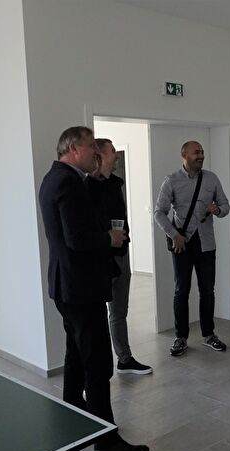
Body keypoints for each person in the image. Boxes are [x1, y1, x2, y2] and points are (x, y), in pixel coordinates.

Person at [38, 126, 149, 451]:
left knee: (76, 351)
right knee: (98, 363)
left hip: (67, 286)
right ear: (74, 149)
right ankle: (105, 441)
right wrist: (109, 239)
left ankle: (73, 408)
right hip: (81, 287)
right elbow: (78, 238)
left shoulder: (56, 178)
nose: (96, 153)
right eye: (91, 147)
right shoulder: (68, 183)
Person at [154, 141, 230, 357]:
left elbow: (225, 206)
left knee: (207, 290)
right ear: (184, 155)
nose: (201, 155)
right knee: (181, 290)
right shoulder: (171, 180)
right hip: (182, 243)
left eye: (202, 152)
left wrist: (217, 210)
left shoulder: (211, 178)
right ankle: (181, 337)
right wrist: (174, 234)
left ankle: (209, 334)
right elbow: (159, 212)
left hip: (206, 243)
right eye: (196, 152)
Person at [86, 138, 152, 375]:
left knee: (119, 311)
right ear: (100, 155)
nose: (116, 155)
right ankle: (96, 366)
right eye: (112, 151)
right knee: (95, 315)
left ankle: (124, 358)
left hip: (121, 254)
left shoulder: (115, 183)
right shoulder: (86, 186)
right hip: (100, 258)